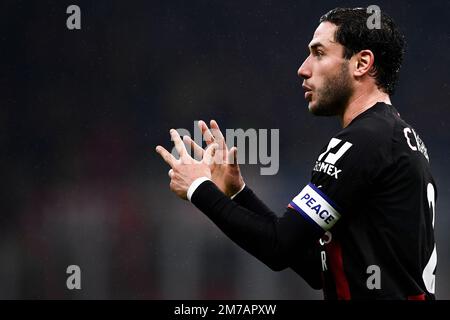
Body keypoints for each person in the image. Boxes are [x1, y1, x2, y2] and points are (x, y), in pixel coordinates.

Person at [156, 7, 437, 300]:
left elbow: (277, 247)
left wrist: (198, 188)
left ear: (361, 63)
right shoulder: (397, 139)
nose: (303, 68)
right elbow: (316, 267)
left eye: (319, 53)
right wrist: (238, 194)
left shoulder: (363, 141)